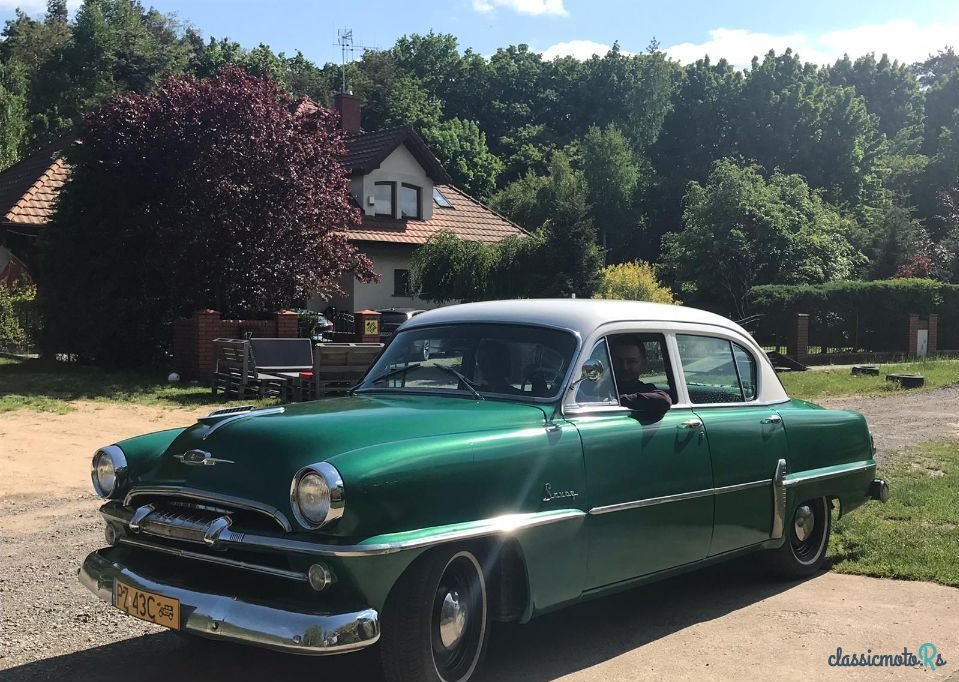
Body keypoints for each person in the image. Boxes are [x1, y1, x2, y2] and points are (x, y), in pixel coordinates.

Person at [609, 337, 673, 418]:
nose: (624, 367)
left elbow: (664, 401)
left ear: (643, 363)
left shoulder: (645, 389)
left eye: (631, 361)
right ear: (609, 361)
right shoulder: (599, 388)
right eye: (618, 361)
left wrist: (617, 400)